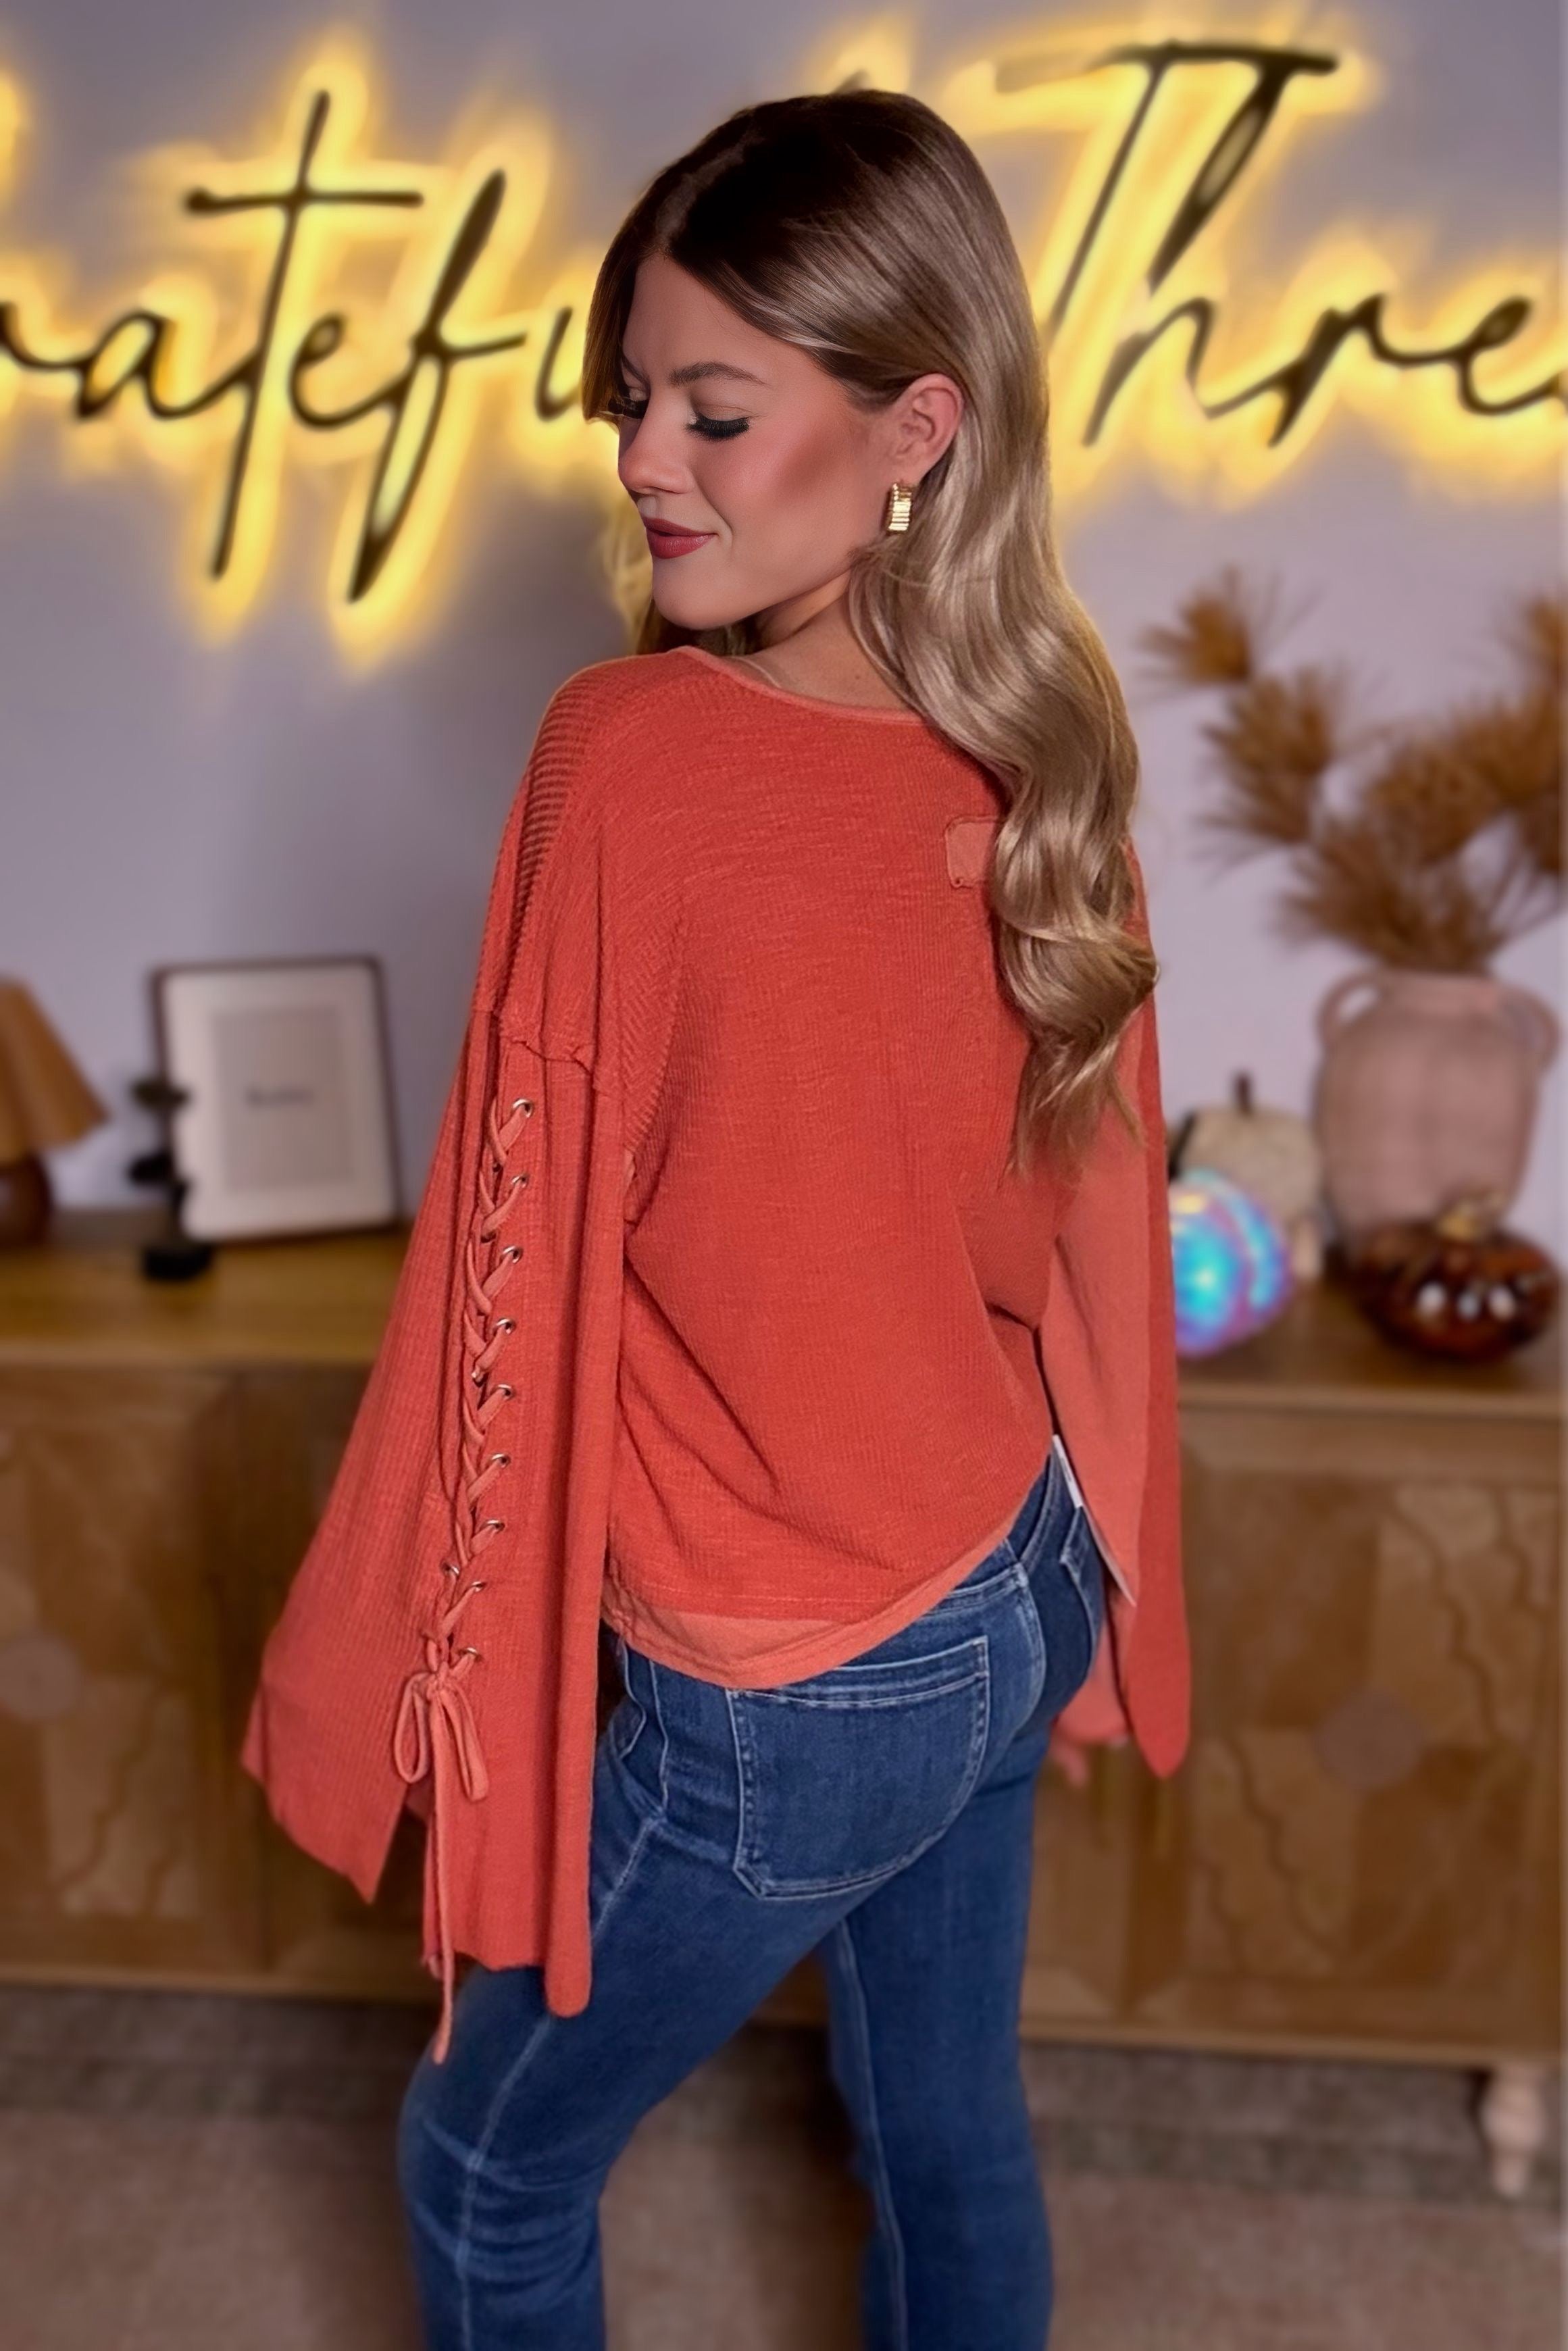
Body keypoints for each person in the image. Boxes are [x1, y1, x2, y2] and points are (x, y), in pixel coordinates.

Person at [241, 87, 1188, 2351]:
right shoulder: (1037, 747)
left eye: (715, 409)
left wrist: (399, 1646)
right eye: (631, 400)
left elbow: (503, 1264)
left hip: (795, 1677)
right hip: (1015, 1564)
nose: (647, 459)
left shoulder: (634, 756)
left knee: (484, 2161)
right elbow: (1061, 1239)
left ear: (913, 429)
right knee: (942, 2125)